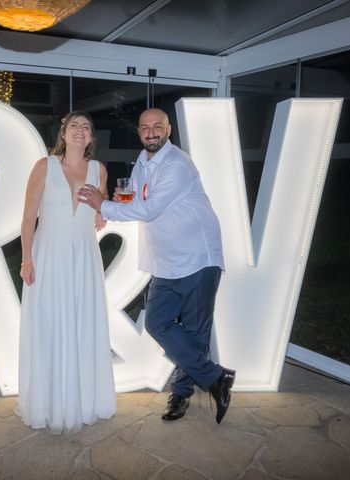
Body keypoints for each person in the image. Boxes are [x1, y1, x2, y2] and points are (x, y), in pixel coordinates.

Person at [78, 108, 235, 424]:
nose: (151, 132)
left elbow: (148, 209)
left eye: (157, 127)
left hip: (197, 259)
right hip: (164, 261)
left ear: (169, 129)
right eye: (145, 127)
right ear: (139, 132)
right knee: (157, 323)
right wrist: (110, 209)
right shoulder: (143, 161)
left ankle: (181, 394)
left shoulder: (177, 164)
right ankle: (216, 377)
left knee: (195, 332)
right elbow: (135, 199)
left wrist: (101, 204)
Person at [16, 111, 116, 434]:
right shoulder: (44, 166)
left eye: (86, 127)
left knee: (82, 324)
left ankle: (84, 400)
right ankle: (49, 403)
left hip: (84, 256)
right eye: (74, 125)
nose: (80, 130)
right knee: (50, 325)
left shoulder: (98, 170)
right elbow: (29, 216)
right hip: (49, 255)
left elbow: (103, 204)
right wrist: (26, 259)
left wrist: (103, 213)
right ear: (64, 132)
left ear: (91, 137)